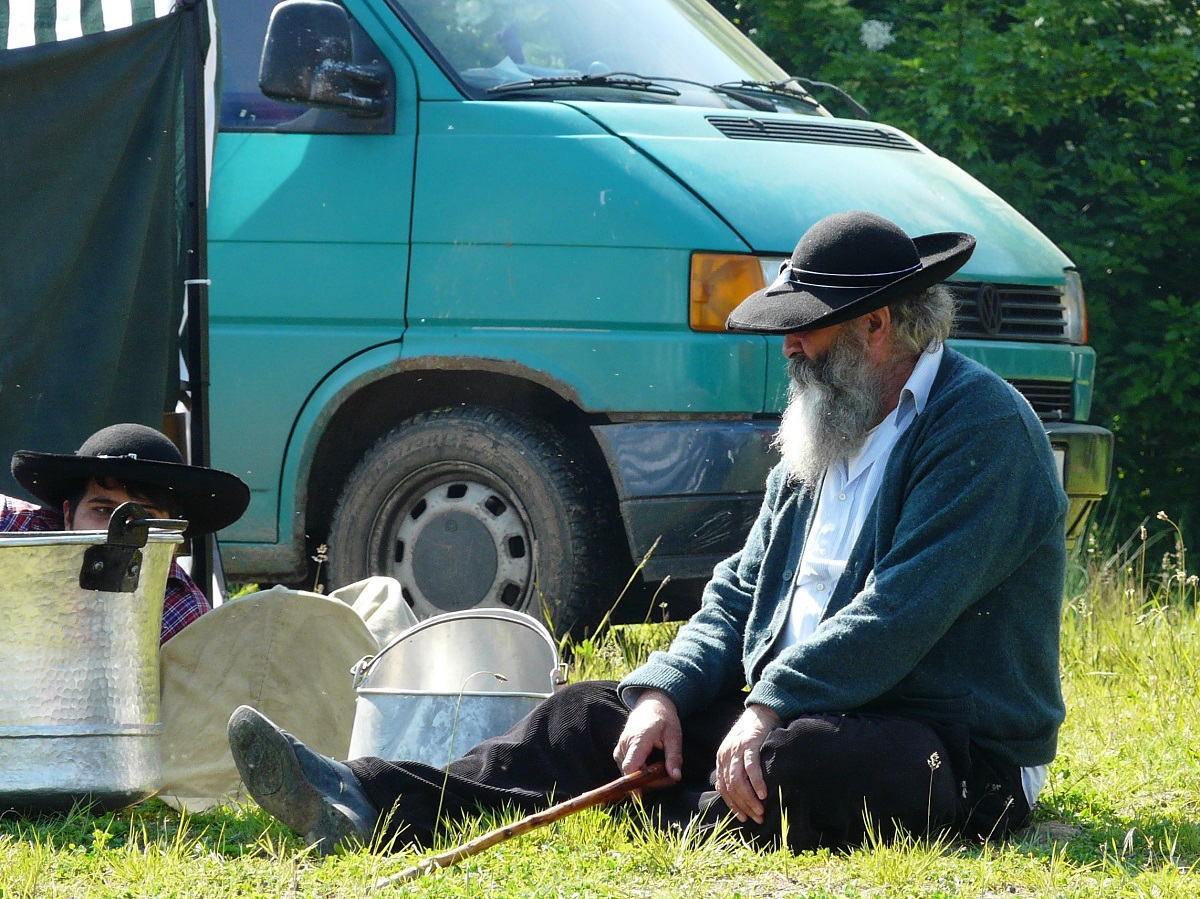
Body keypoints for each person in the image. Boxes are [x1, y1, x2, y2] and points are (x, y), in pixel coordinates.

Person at [226, 210, 1068, 855]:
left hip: (947, 742)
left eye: (806, 327)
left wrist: (768, 706)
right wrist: (665, 691)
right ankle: (368, 798)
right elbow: (739, 594)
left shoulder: (983, 428)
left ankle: (686, 806)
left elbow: (900, 612)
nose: (789, 347)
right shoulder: (832, 419)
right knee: (586, 715)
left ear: (877, 326)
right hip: (797, 709)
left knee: (813, 763)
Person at [3, 422, 250, 643]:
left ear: (173, 536)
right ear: (68, 516)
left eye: (145, 517)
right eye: (103, 510)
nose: (121, 529)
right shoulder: (17, 529)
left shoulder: (182, 611)